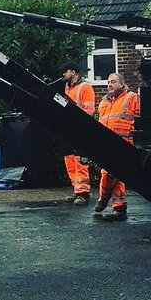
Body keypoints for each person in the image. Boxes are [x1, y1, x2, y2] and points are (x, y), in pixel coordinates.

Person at [95, 72, 140, 221]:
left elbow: (140, 121)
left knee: (111, 173)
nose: (110, 84)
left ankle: (105, 197)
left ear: (122, 84)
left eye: (113, 82)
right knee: (112, 175)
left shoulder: (131, 98)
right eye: (108, 82)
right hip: (107, 146)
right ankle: (119, 208)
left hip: (124, 145)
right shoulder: (103, 103)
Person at [61, 62, 97, 206]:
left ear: (73, 72)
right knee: (70, 160)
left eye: (65, 71)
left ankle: (83, 193)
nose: (63, 74)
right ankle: (77, 190)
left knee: (80, 162)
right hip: (69, 130)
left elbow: (89, 110)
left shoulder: (85, 87)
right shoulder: (67, 87)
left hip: (80, 130)